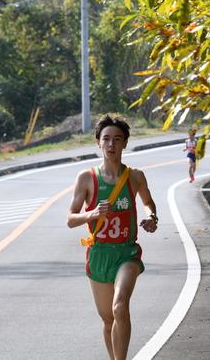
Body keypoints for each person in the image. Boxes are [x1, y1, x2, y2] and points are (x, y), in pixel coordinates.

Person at [67, 115, 158, 360]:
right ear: (98, 143)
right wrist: (92, 213)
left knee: (120, 307)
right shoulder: (86, 178)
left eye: (117, 139)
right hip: (99, 254)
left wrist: (152, 218)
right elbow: (70, 219)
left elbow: (149, 203)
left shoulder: (135, 176)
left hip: (126, 253)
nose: (111, 145)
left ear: (125, 143)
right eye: (106, 139)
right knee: (108, 319)